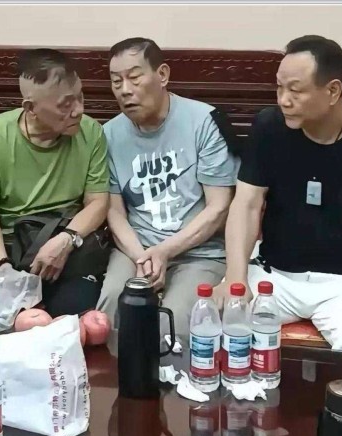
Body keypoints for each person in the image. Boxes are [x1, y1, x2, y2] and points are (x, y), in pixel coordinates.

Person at [213, 35, 342, 353]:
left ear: (333, 91)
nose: (284, 100)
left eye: (295, 90)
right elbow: (246, 205)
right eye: (279, 88)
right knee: (213, 324)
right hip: (276, 277)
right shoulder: (269, 127)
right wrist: (236, 278)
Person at [97, 37, 240, 340]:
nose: (124, 89)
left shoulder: (203, 122)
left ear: (162, 75)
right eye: (116, 81)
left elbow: (219, 208)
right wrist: (142, 257)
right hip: (134, 249)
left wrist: (164, 251)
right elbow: (114, 212)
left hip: (198, 251)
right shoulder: (107, 135)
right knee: (112, 307)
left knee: (172, 324)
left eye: (134, 78)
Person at [0, 48, 109, 317]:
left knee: (75, 320)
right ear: (30, 108)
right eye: (65, 105)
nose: (79, 110)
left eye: (80, 97)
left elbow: (98, 202)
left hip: (69, 246)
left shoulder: (91, 132)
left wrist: (67, 239)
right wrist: (2, 269)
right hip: (13, 251)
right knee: (14, 322)